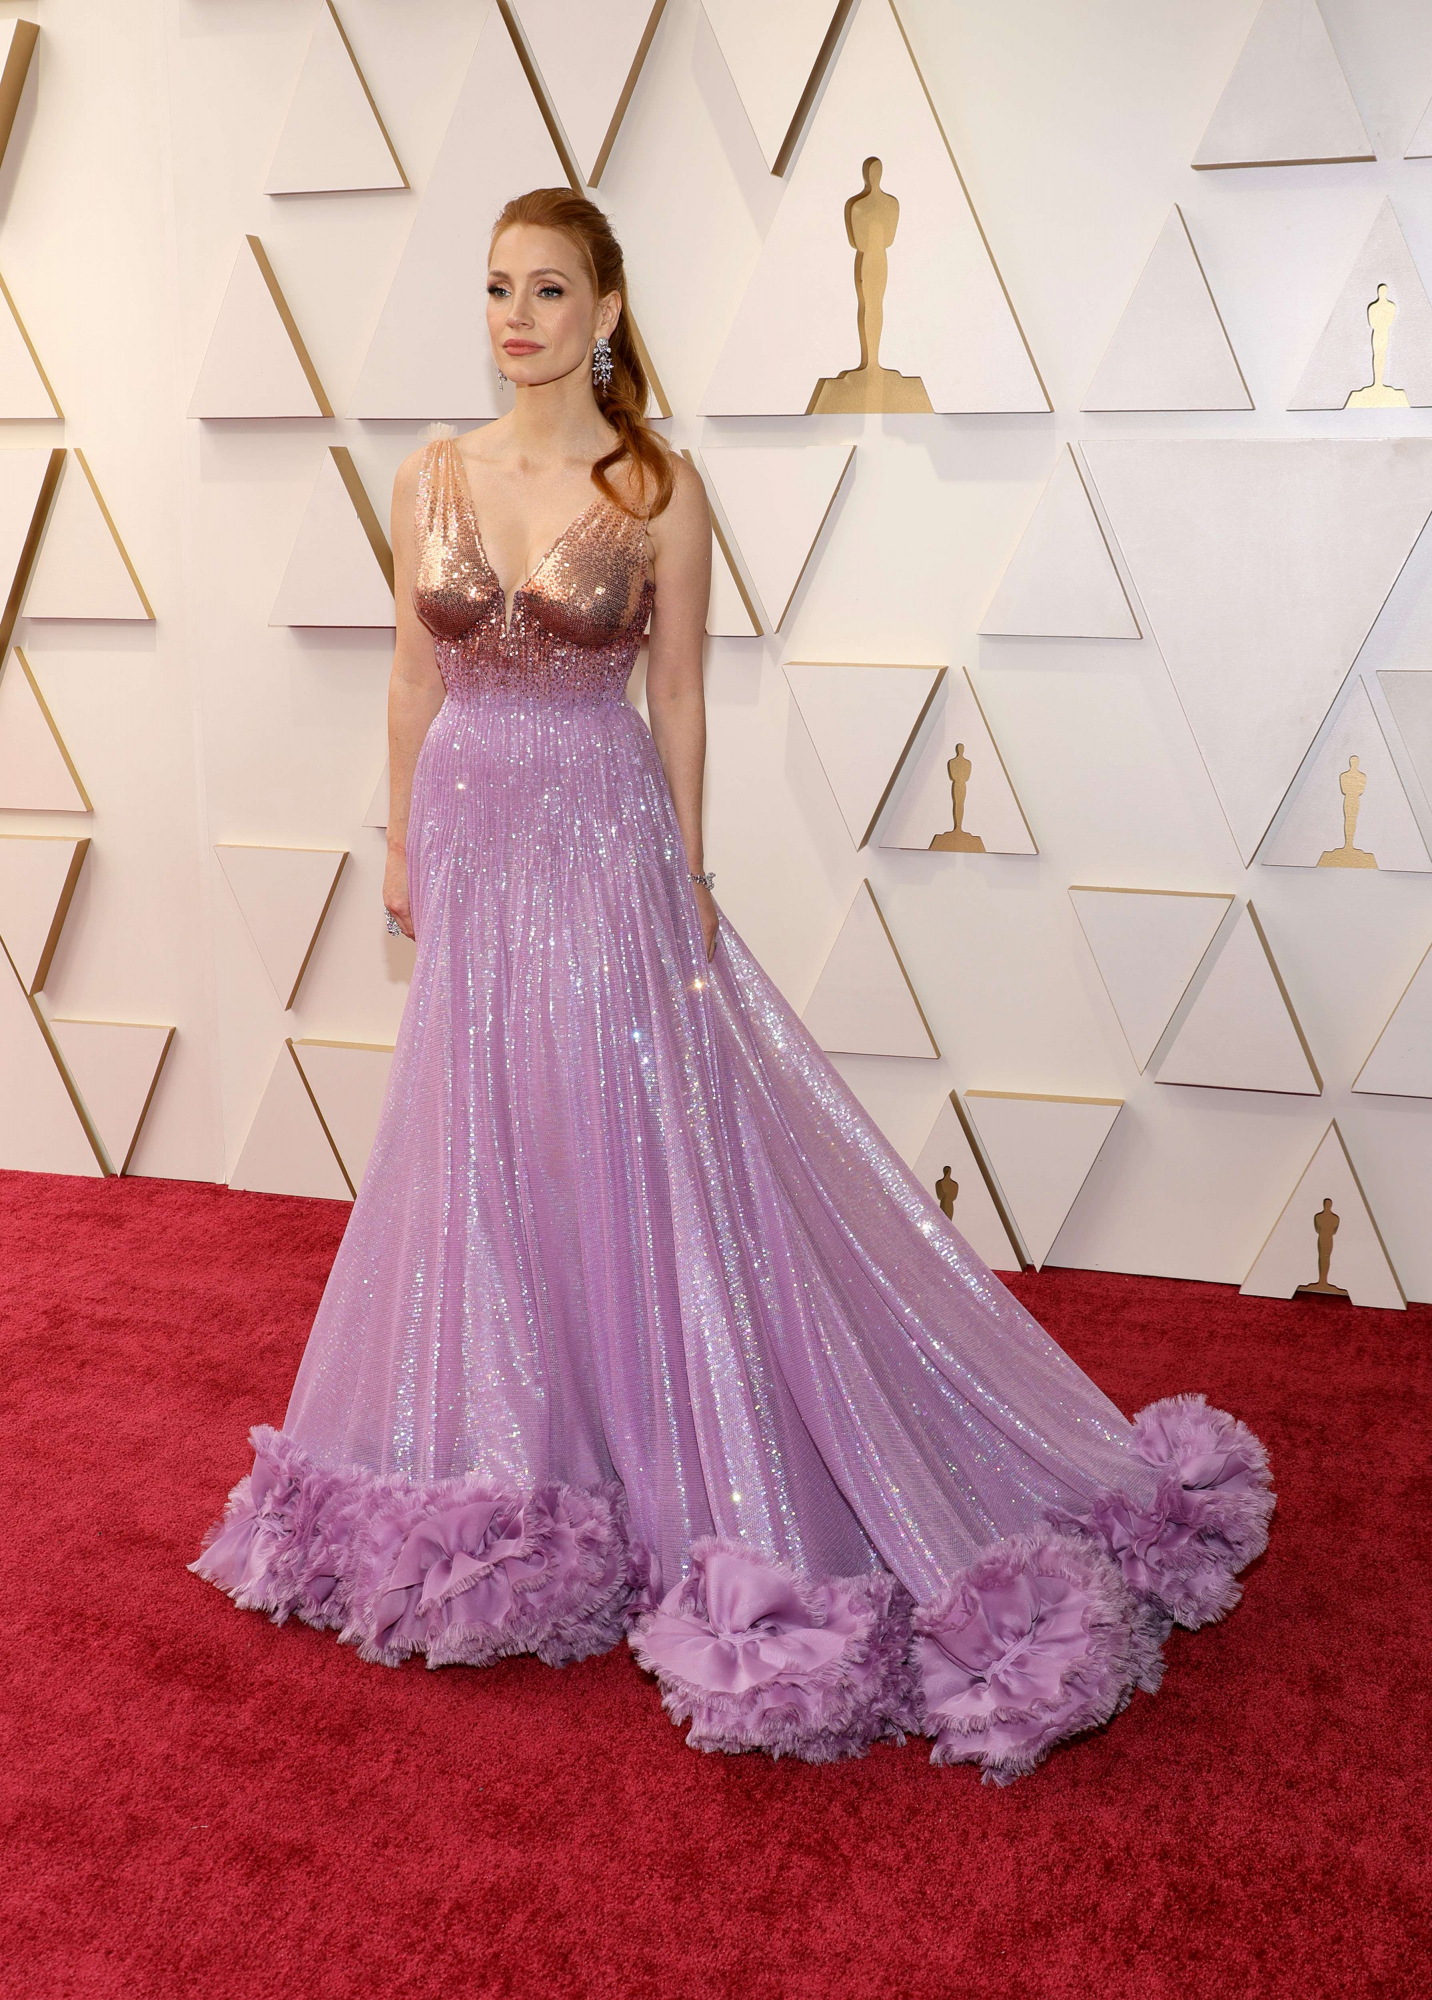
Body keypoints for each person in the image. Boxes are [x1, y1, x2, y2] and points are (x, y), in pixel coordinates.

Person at [192, 188, 1273, 1784]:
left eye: (547, 290)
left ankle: (671, 1441)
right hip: (475, 830)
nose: (515, 318)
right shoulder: (429, 477)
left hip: (602, 830)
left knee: (627, 1130)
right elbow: (415, 673)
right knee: (489, 1129)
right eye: (497, 288)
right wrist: (403, 842)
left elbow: (682, 697)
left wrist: (688, 875)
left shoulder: (656, 488)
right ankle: (519, 1434)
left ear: (607, 309)